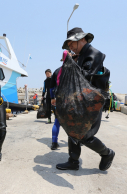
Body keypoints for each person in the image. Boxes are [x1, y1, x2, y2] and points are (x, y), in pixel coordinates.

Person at [56, 27, 115, 171]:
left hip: (92, 102)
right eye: (69, 47)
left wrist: (71, 62)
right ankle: (73, 161)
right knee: (72, 127)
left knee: (85, 135)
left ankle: (107, 153)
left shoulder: (94, 54)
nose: (71, 49)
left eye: (72, 45)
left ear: (82, 39)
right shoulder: (81, 55)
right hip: (80, 99)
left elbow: (85, 76)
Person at [49, 50, 69, 150]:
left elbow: (51, 87)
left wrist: (52, 98)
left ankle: (54, 143)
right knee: (72, 122)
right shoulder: (75, 70)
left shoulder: (57, 71)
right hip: (71, 101)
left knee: (57, 122)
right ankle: (75, 142)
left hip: (59, 100)